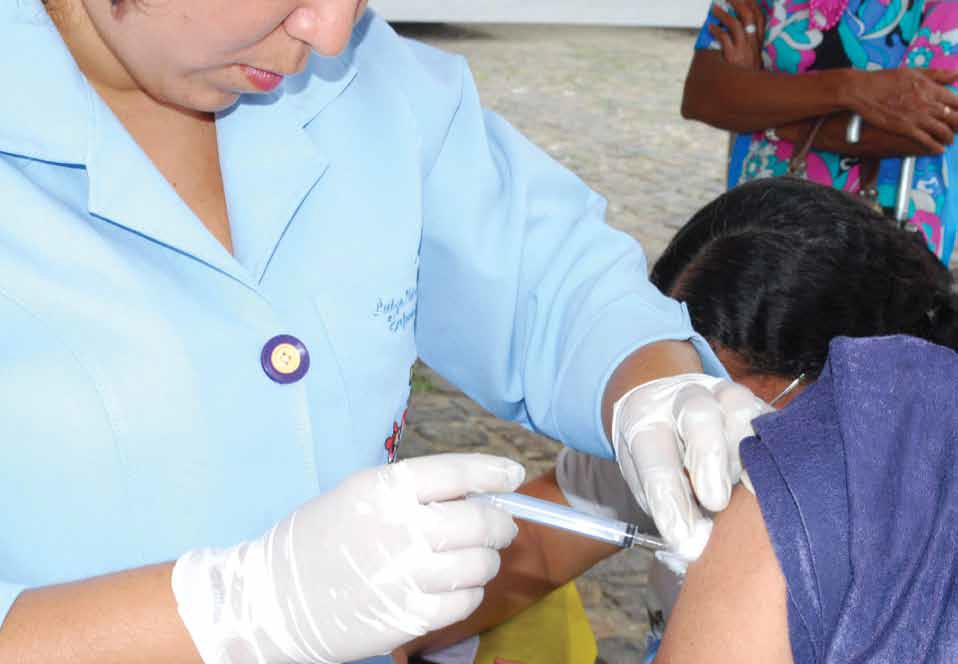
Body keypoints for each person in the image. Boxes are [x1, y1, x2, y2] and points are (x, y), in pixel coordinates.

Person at [0, 1, 769, 663]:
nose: (331, 34)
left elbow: (555, 279)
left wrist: (654, 386)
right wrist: (233, 615)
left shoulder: (367, 83)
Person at [398, 177, 958, 663]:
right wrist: (392, 627)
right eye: (682, 374)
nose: (701, 430)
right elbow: (539, 546)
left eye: (731, 391)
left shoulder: (898, 507)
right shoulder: (671, 426)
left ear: (838, 384)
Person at [682, 0, 958, 262]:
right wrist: (848, 89)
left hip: (884, 235)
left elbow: (929, 128)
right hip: (759, 223)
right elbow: (703, 97)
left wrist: (760, 107)